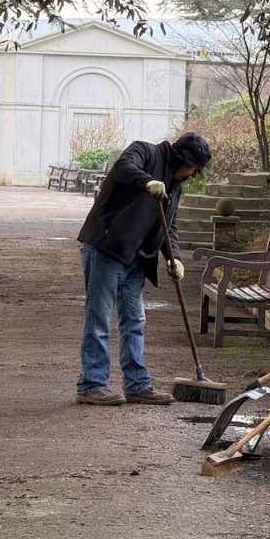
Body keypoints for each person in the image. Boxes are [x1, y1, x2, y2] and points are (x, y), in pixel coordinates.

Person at [76, 132, 213, 406]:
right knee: (99, 318)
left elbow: (168, 226)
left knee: (135, 321)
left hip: (137, 259)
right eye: (194, 168)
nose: (194, 174)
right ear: (182, 159)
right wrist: (147, 181)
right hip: (107, 247)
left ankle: (137, 384)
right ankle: (91, 384)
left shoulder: (175, 185)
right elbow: (123, 167)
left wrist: (174, 258)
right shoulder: (145, 152)